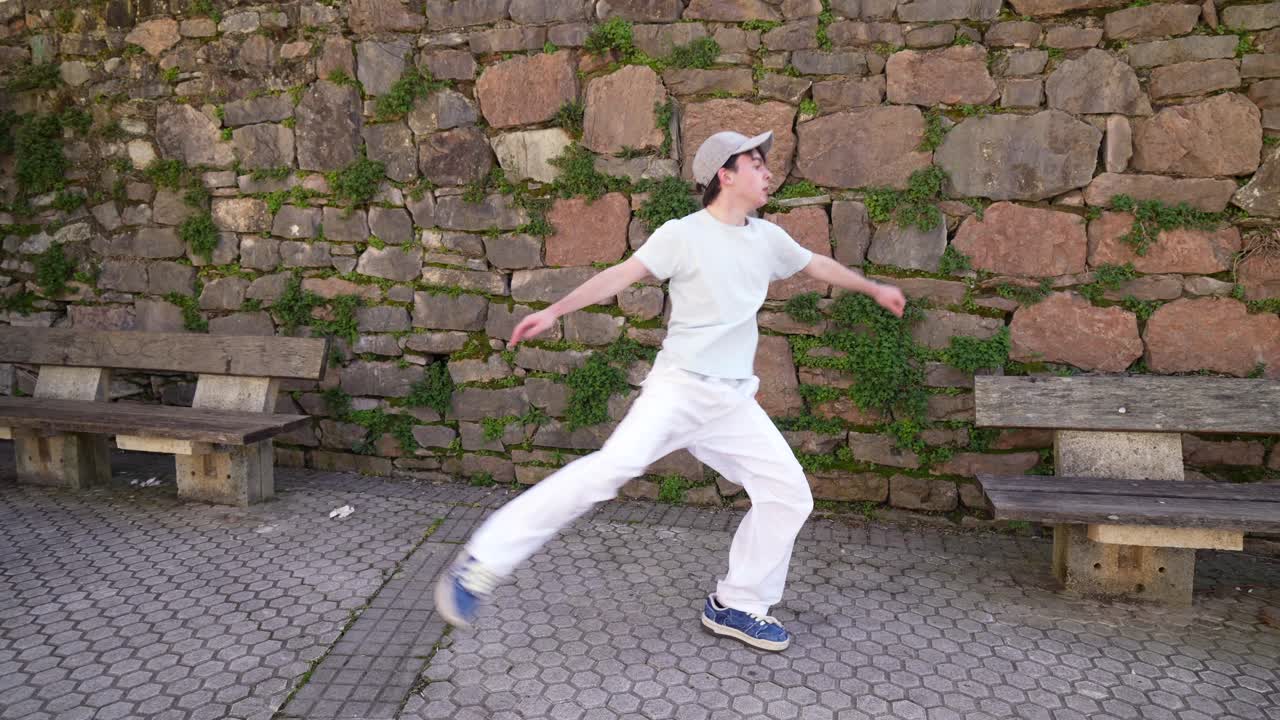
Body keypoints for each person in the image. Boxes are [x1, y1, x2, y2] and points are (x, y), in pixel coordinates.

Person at [434, 130, 906, 651]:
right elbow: (621, 274)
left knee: (789, 494)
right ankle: (482, 561)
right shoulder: (683, 234)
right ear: (725, 175)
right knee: (608, 471)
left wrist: (872, 287)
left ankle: (737, 603)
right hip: (678, 391)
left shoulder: (767, 238)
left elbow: (815, 263)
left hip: (731, 403)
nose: (768, 172)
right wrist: (553, 310)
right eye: (756, 163)